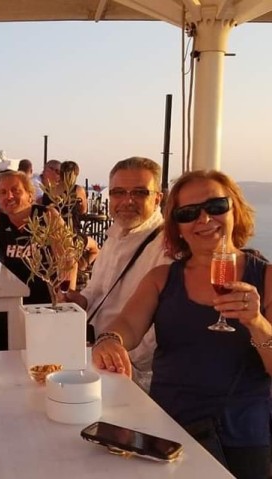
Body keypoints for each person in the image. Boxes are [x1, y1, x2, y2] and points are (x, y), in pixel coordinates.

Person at [92, 169, 272, 479]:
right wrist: (109, 339)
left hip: (240, 436)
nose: (204, 219)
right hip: (169, 428)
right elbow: (128, 325)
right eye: (188, 213)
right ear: (176, 225)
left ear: (235, 209)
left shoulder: (265, 278)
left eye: (215, 206)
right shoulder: (162, 278)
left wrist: (256, 322)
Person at [64, 157, 168, 389]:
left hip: (128, 371)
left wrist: (119, 360)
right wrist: (79, 300)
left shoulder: (166, 248)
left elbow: (160, 329)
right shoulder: (114, 236)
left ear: (158, 199)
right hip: (96, 353)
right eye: (118, 192)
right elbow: (96, 291)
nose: (127, 201)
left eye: (139, 193)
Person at [0, 170, 72, 350]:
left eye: (16, 191)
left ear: (30, 195)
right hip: (11, 297)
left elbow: (67, 259)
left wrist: (65, 295)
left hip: (44, 297)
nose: (9, 196)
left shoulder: (47, 216)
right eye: (3, 192)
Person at [41, 160, 99, 270]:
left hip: (50, 235)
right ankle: (80, 269)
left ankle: (74, 268)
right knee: (95, 248)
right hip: (71, 234)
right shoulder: (77, 190)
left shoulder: (49, 190)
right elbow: (84, 210)